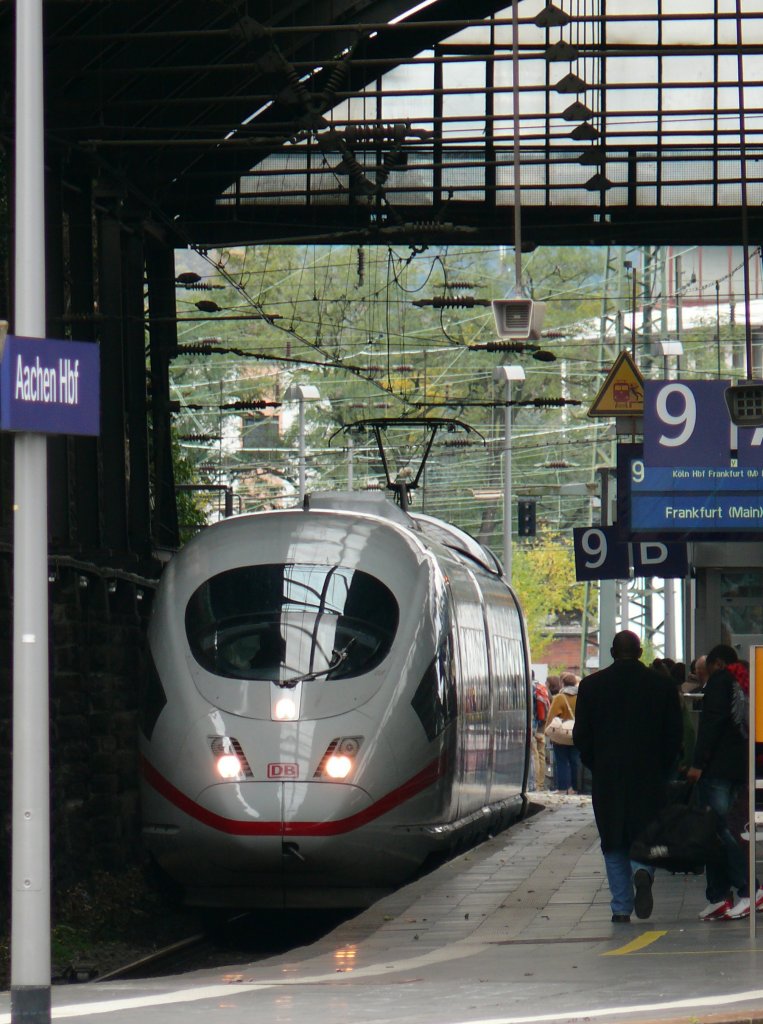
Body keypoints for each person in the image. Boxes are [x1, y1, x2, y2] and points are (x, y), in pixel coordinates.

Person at [573, 630, 683, 923]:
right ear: (639, 653)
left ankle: (621, 907)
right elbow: (674, 734)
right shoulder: (662, 686)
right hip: (649, 775)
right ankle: (643, 871)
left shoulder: (591, 686)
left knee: (613, 838)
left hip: (608, 775)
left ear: (611, 652)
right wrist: (663, 766)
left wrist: (596, 762)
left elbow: (581, 736)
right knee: (645, 831)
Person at [687, 644, 763, 920]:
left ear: (717, 663)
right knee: (719, 830)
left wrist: (697, 763)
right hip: (741, 767)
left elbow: (712, 724)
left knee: (723, 830)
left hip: (718, 768)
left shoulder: (721, 681)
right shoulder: (747, 681)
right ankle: (718, 896)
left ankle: (749, 889)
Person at [545, 672, 580, 794]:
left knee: (561, 761)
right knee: (575, 761)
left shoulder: (560, 697)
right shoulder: (581, 696)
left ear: (563, 683)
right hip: (576, 734)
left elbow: (551, 716)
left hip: (561, 734)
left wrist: (547, 731)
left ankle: (563, 788)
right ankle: (574, 788)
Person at [530, 674, 550, 791]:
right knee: (541, 754)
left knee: (534, 755)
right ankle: (540, 784)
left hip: (532, 727)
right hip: (542, 726)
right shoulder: (542, 688)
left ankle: (535, 784)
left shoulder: (528, 688)